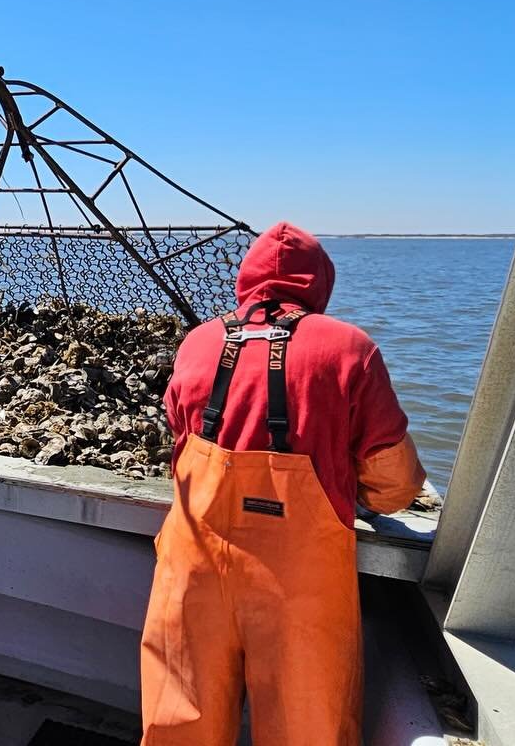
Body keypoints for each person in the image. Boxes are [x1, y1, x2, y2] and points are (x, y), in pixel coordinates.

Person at [140, 221, 426, 746]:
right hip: (298, 582)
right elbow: (395, 484)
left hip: (191, 567)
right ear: (319, 284)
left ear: (245, 281)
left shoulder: (198, 342)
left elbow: (180, 441)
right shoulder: (351, 350)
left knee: (177, 726)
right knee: (307, 730)